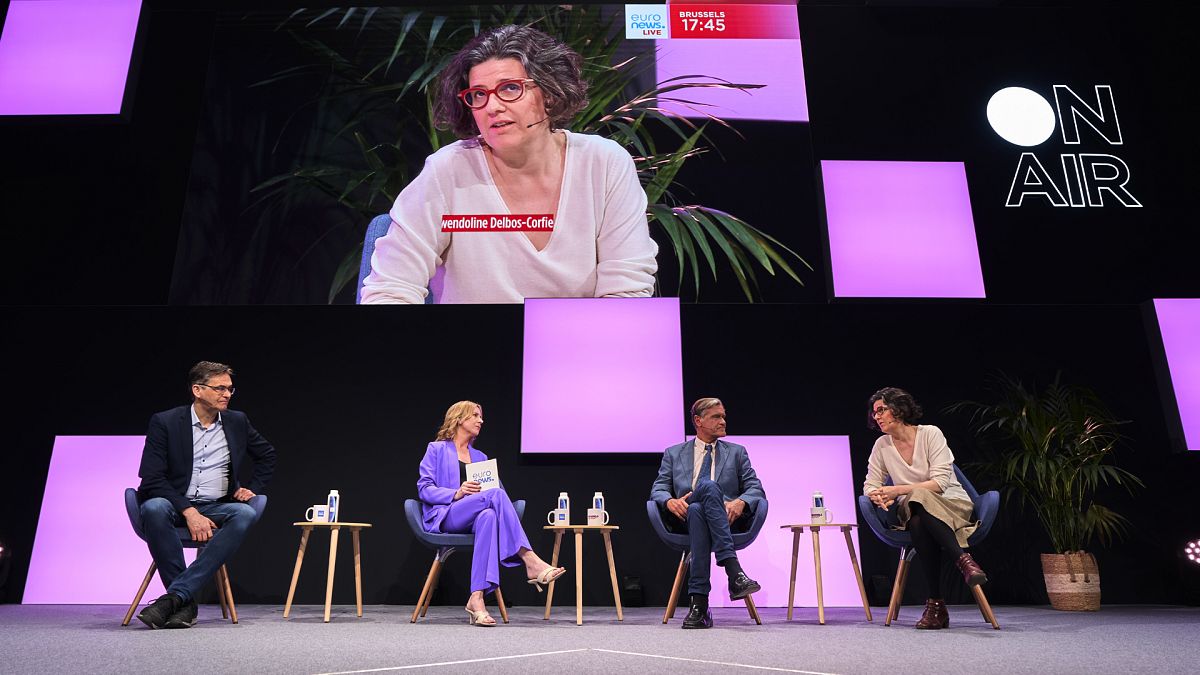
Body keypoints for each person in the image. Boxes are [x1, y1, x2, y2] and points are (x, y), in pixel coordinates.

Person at [360, 24, 658, 304]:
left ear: (550, 93)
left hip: (575, 347)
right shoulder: (448, 170)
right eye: (479, 95)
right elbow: (391, 288)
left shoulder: (604, 163)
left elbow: (627, 291)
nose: (492, 106)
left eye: (510, 88)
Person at [134, 361, 276, 629]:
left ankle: (175, 598)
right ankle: (184, 602)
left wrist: (253, 486)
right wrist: (189, 511)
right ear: (197, 390)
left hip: (216, 506)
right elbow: (151, 477)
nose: (227, 394)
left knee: (245, 512)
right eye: (220, 388)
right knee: (153, 508)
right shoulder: (165, 422)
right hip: (174, 505)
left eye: (230, 389)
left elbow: (267, 455)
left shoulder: (237, 421)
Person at [416, 401, 565, 626]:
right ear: (459, 419)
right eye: (475, 415)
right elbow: (424, 488)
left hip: (475, 517)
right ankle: (529, 559)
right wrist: (455, 493)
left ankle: (476, 599)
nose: (481, 420)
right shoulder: (436, 449)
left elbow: (497, 494)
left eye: (481, 416)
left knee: (489, 517)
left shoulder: (480, 457)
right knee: (494, 496)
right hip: (447, 515)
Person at [863, 387, 988, 630]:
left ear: (898, 409)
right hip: (912, 509)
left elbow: (940, 483)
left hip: (951, 504)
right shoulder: (881, 445)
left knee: (919, 514)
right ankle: (963, 562)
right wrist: (878, 496)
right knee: (916, 506)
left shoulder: (931, 434)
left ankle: (935, 606)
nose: (876, 416)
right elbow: (870, 484)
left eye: (881, 410)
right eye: (874, 412)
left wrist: (897, 490)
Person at [650, 398, 765, 629]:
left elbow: (755, 488)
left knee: (698, 510)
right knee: (707, 488)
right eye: (716, 417)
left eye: (723, 416)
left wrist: (741, 501)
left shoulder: (737, 452)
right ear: (698, 421)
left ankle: (699, 605)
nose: (723, 421)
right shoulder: (674, 453)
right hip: (682, 518)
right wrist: (670, 500)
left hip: (723, 518)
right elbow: (658, 488)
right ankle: (733, 570)